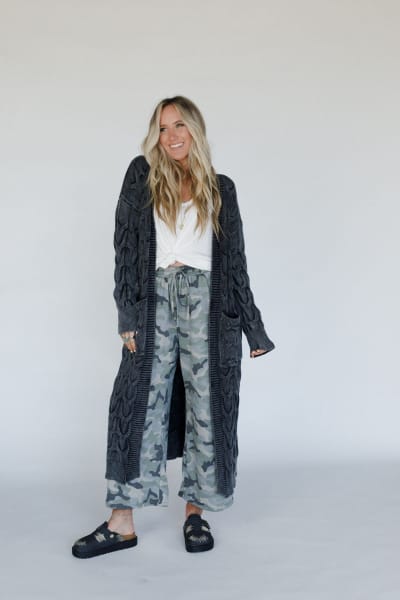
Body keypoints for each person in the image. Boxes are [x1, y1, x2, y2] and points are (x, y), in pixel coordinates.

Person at [72, 95, 275, 559]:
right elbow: (125, 247)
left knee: (207, 405)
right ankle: (121, 522)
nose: (171, 136)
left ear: (195, 130)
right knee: (136, 402)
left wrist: (253, 328)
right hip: (155, 300)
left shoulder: (221, 188)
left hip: (210, 305)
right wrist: (127, 314)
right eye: (163, 128)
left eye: (179, 125)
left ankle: (195, 513)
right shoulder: (142, 177)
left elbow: (236, 262)